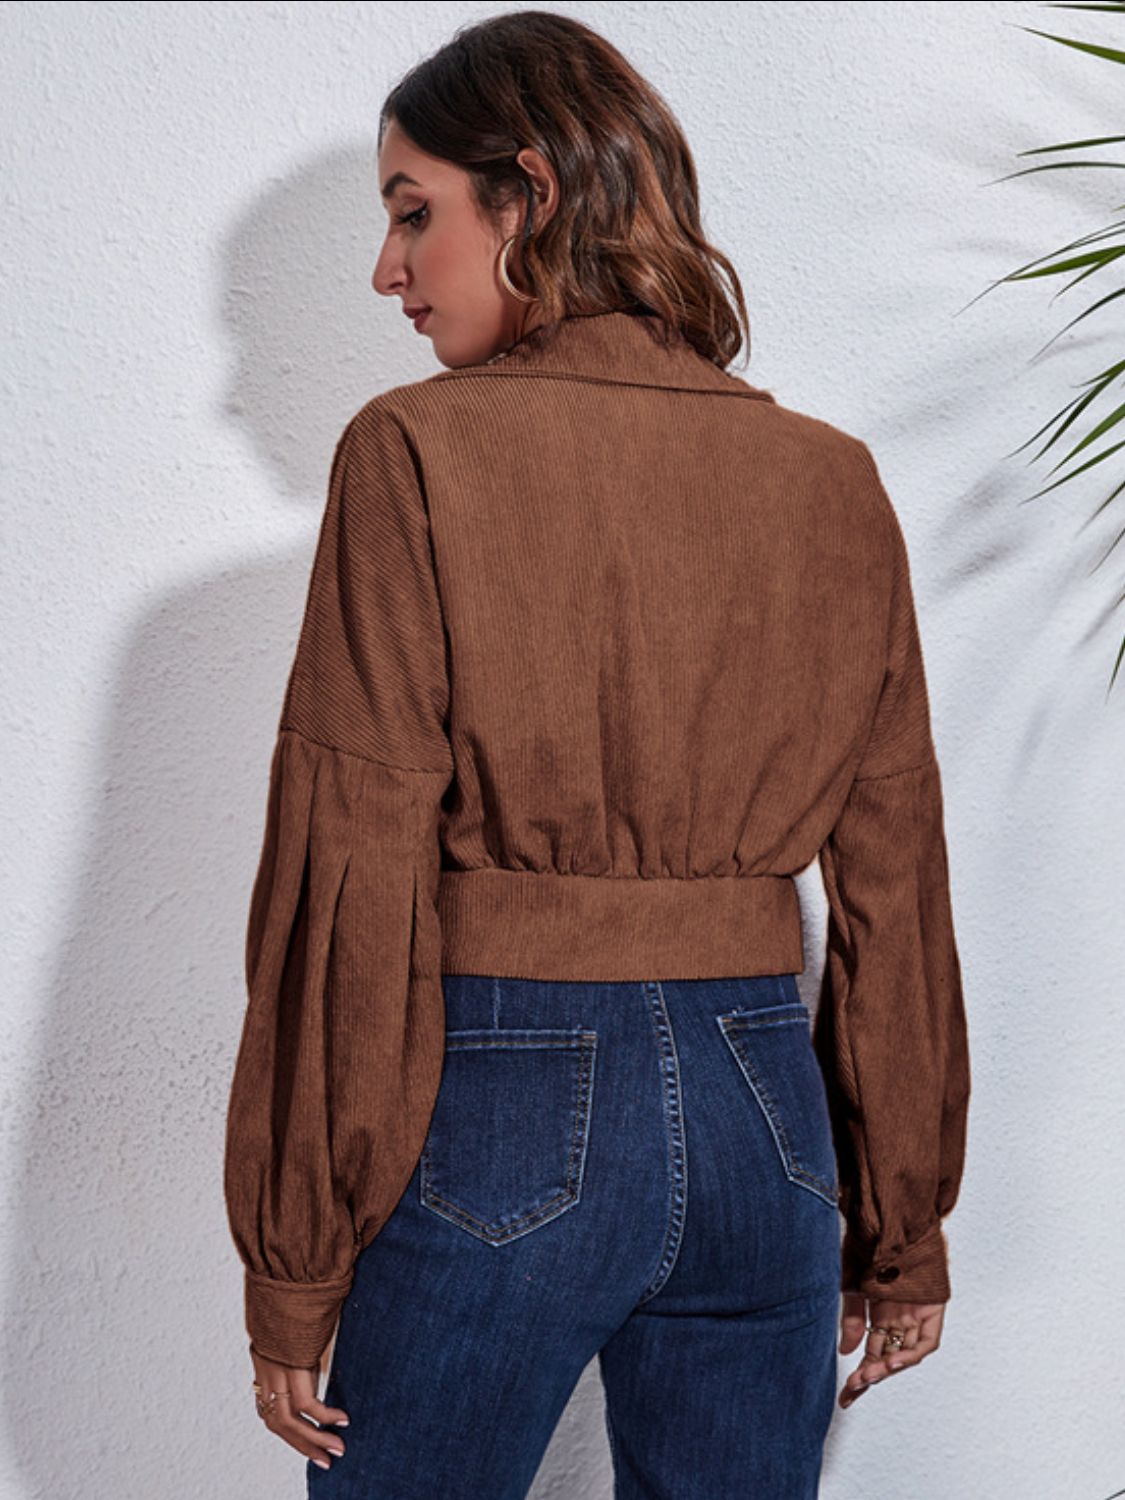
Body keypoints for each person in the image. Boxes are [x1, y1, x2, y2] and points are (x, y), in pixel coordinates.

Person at [222, 11, 971, 1498]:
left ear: (532, 195)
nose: (387, 270)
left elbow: (353, 874)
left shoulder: (414, 452)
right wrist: (901, 1225)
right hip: (769, 1122)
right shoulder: (831, 480)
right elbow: (894, 877)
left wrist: (295, 1261)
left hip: (505, 1102)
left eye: (412, 213)